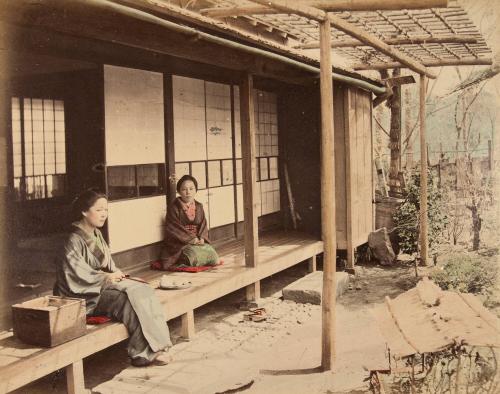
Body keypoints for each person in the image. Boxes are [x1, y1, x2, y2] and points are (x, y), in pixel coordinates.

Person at [54, 189, 172, 367]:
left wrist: (117, 275)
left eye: (106, 210)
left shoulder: (97, 234)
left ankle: (158, 346)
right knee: (126, 299)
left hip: (99, 286)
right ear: (84, 211)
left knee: (142, 289)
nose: (104, 214)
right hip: (83, 294)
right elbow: (75, 275)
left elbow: (109, 265)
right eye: (99, 210)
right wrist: (106, 277)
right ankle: (141, 353)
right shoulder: (73, 240)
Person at [159, 175, 219, 270]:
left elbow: (203, 224)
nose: (188, 192)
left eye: (191, 189)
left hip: (197, 240)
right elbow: (173, 228)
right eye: (184, 189)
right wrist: (191, 239)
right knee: (193, 257)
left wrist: (202, 238)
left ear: (196, 190)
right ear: (179, 191)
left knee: (214, 257)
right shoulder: (173, 207)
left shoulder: (199, 206)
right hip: (179, 242)